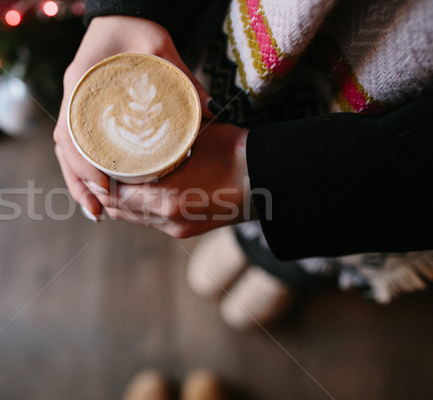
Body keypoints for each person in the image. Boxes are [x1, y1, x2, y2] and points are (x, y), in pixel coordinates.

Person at [53, 0, 433, 327]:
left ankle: (292, 268)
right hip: (266, 32)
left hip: (400, 146)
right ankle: (247, 238)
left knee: (324, 220)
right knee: (223, 175)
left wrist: (273, 177)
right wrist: (128, 11)